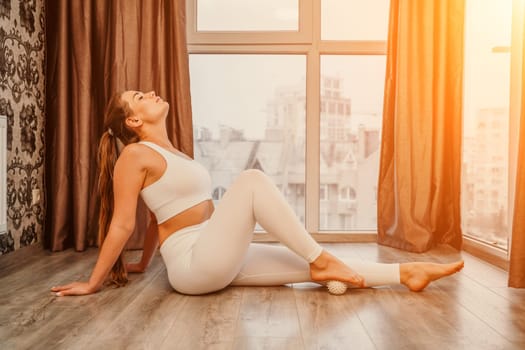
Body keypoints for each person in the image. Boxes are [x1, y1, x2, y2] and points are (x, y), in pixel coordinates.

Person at [51, 91, 464, 297]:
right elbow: (125, 222)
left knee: (309, 269)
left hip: (213, 253)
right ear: (134, 119)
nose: (151, 92)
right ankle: (322, 259)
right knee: (251, 181)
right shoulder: (135, 155)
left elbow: (161, 214)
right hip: (195, 266)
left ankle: (407, 273)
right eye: (140, 96)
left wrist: (142, 263)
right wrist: (92, 282)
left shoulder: (171, 150)